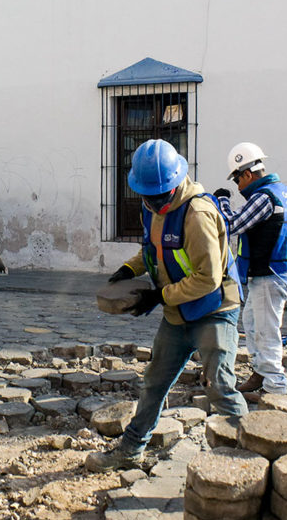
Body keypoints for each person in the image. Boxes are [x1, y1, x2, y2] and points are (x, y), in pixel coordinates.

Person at [86, 139, 246, 472]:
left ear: (175, 183)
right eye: (149, 197)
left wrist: (158, 296)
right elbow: (154, 249)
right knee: (154, 383)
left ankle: (250, 456)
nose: (156, 203)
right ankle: (130, 450)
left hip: (214, 311)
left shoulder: (198, 214)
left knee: (219, 384)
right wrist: (130, 269)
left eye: (161, 197)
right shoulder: (151, 206)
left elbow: (207, 279)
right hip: (178, 313)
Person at [213, 143, 287, 402]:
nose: (238, 186)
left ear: (247, 174)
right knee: (252, 324)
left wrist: (222, 200)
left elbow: (231, 225)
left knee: (266, 330)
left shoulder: (263, 198)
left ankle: (274, 386)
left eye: (237, 180)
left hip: (269, 274)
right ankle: (260, 374)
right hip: (279, 271)